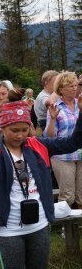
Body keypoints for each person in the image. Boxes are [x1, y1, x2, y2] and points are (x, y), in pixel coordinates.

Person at [0, 96, 82, 269]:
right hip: (9, 229)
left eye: (25, 130)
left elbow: (72, 143)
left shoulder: (38, 145)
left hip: (39, 225)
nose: (20, 135)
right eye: (14, 130)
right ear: (2, 128)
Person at [44, 72, 82, 210]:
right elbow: (50, 136)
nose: (74, 88)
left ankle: (79, 226)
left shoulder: (80, 104)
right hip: (62, 156)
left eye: (75, 85)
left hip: (81, 154)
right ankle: (66, 229)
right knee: (67, 195)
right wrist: (53, 119)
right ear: (60, 89)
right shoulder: (55, 107)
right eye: (70, 86)